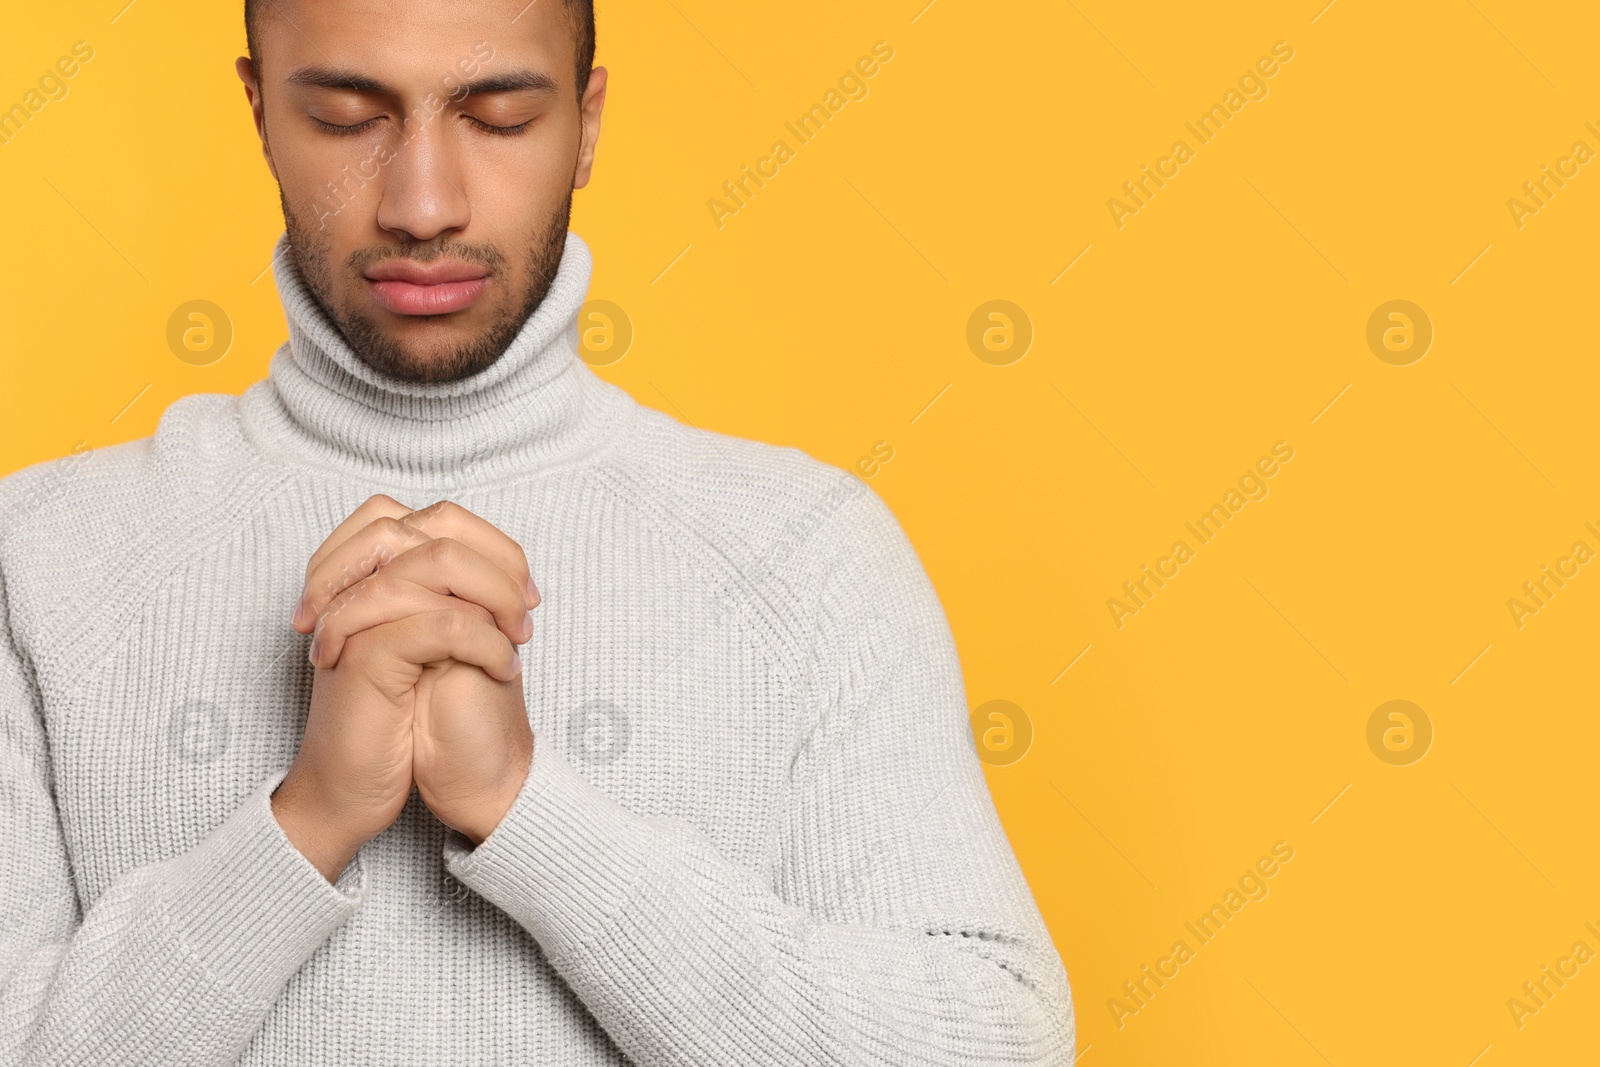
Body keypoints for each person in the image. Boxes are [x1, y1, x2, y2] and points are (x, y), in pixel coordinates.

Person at [0, 0, 1077, 1061]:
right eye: (344, 117)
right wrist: (305, 821)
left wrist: (529, 814)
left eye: (499, 117)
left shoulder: (805, 550)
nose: (423, 204)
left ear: (587, 123)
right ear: (259, 116)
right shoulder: (40, 555)